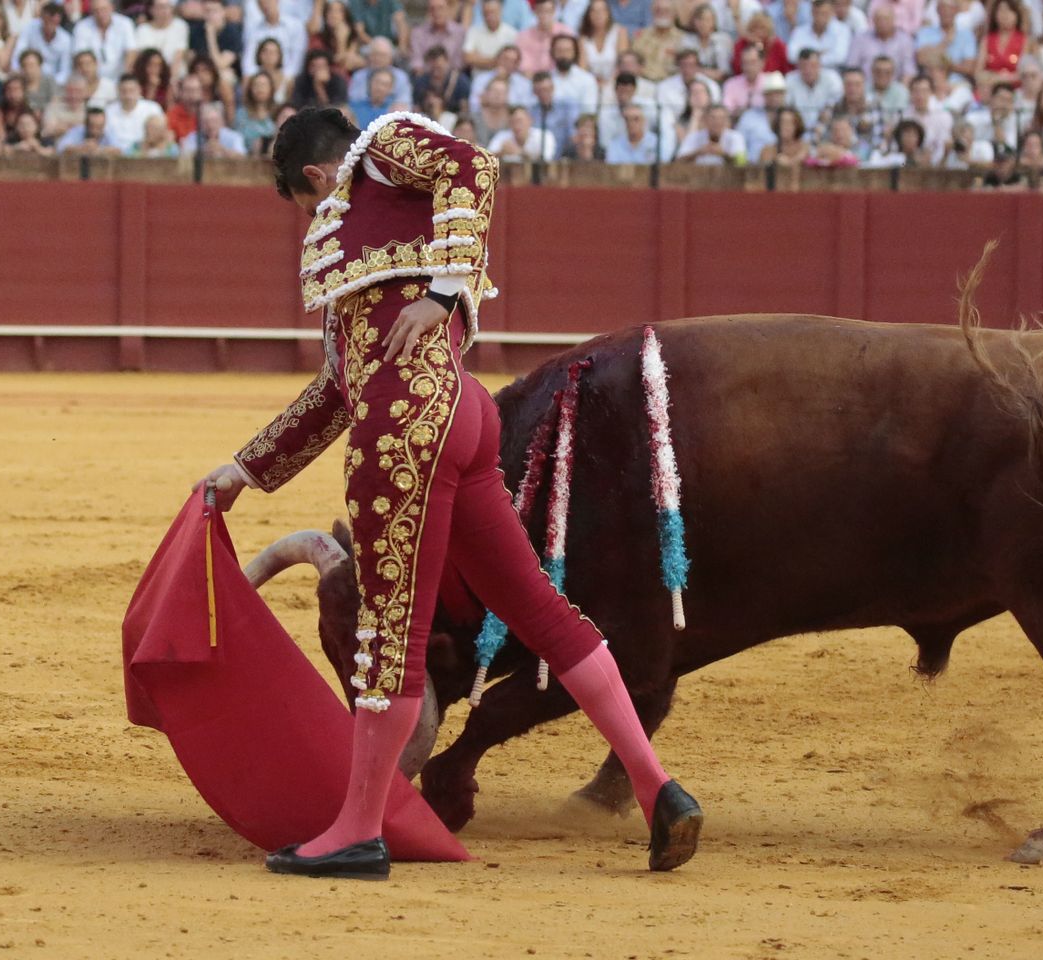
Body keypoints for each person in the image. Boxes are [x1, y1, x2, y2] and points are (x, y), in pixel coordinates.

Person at [200, 107, 702, 880]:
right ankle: (654, 785)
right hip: (459, 415)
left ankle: (358, 831)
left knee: (389, 637)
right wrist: (247, 467)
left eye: (307, 208)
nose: (315, 223)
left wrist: (443, 289)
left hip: (406, 430)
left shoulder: (376, 154)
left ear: (316, 177)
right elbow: (338, 390)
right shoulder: (363, 265)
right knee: (541, 610)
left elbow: (474, 166)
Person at [70, 0, 133, 83]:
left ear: (112, 8)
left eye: (104, 9)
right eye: (96, 10)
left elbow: (132, 52)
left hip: (119, 77)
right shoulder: (81, 27)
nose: (100, 14)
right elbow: (80, 56)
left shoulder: (125, 23)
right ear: (91, 12)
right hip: (91, 79)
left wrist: (124, 77)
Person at [104, 74, 165, 151]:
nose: (128, 95)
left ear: (139, 90)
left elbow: (162, 135)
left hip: (145, 155)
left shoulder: (152, 108)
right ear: (118, 91)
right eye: (124, 91)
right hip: (115, 157)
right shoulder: (108, 111)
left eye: (131, 90)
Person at [676, 101, 745, 162]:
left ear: (727, 121)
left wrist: (723, 154)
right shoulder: (693, 137)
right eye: (713, 118)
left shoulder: (736, 137)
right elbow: (678, 161)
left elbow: (742, 162)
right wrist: (698, 152)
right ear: (705, 120)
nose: (717, 122)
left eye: (721, 118)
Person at [490, 101, 557, 158]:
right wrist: (501, 153)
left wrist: (519, 153)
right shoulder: (502, 136)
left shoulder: (544, 136)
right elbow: (487, 159)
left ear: (530, 120)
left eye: (520, 121)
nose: (516, 126)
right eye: (512, 122)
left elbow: (546, 161)